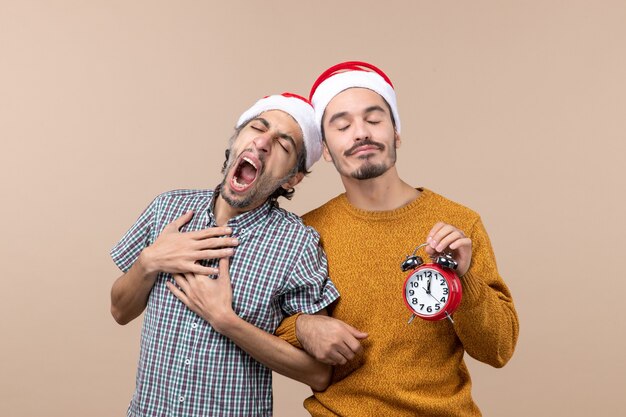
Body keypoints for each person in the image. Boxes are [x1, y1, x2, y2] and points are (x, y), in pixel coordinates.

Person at [275, 62, 520, 416]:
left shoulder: (459, 224)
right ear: (326, 149)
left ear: (397, 133)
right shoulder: (306, 234)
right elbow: (267, 324)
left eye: (373, 120)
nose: (360, 133)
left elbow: (499, 349)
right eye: (343, 126)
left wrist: (463, 279)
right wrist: (301, 326)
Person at [110, 93, 339, 417]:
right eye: (257, 127)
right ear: (235, 139)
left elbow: (318, 373)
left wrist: (226, 321)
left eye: (284, 145)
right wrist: (150, 261)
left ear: (292, 177)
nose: (263, 142)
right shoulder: (167, 209)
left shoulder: (297, 243)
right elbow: (119, 311)